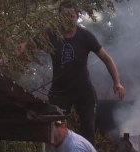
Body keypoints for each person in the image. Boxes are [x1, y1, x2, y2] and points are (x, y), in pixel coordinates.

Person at [48, 1, 125, 144]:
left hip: (83, 91)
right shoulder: (51, 35)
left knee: (88, 129)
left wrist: (117, 82)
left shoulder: (86, 36)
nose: (68, 18)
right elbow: (27, 47)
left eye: (71, 15)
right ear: (59, 17)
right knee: (56, 130)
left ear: (77, 17)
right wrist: (4, 60)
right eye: (64, 15)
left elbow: (107, 59)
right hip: (59, 92)